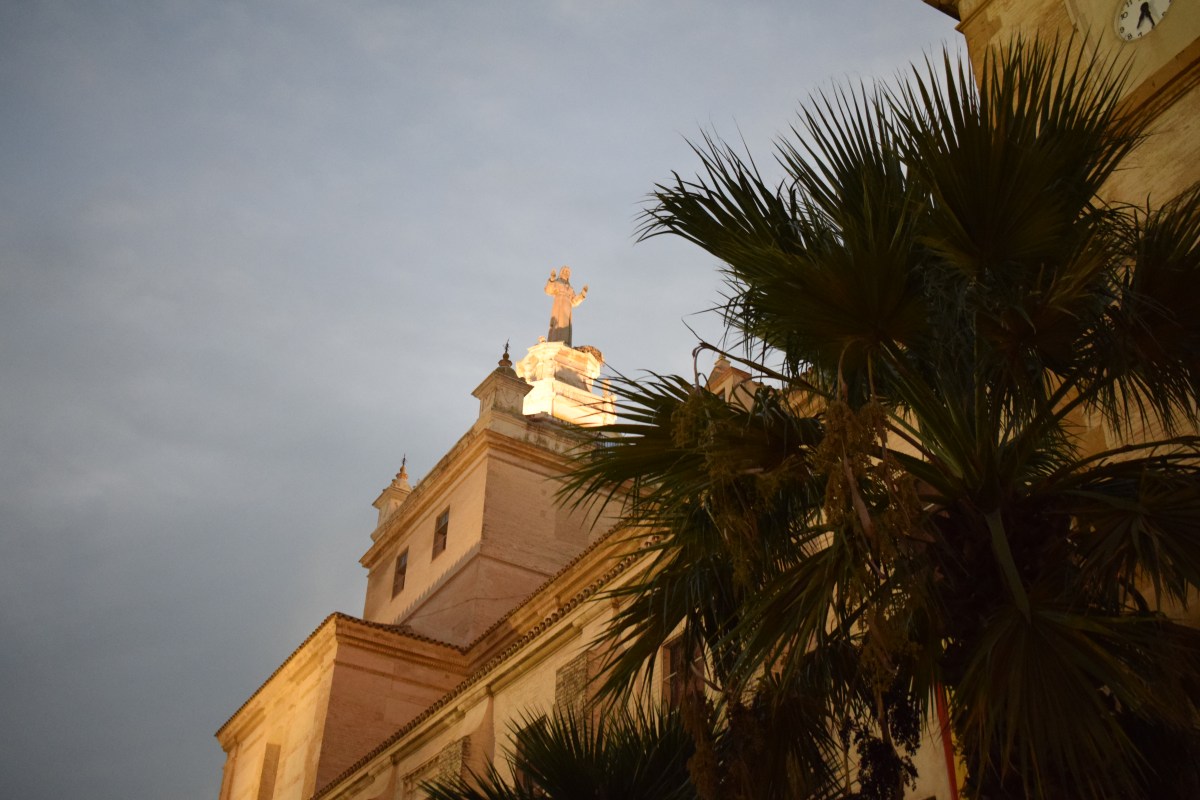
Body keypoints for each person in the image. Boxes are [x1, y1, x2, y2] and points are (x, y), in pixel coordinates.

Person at [544, 266, 587, 346]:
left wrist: (582, 295)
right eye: (565, 271)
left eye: (568, 272)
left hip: (567, 306)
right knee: (556, 321)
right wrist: (552, 279)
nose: (566, 273)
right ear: (561, 272)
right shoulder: (557, 282)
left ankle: (564, 342)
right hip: (558, 303)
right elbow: (548, 290)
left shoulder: (570, 288)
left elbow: (574, 301)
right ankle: (554, 341)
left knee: (565, 324)